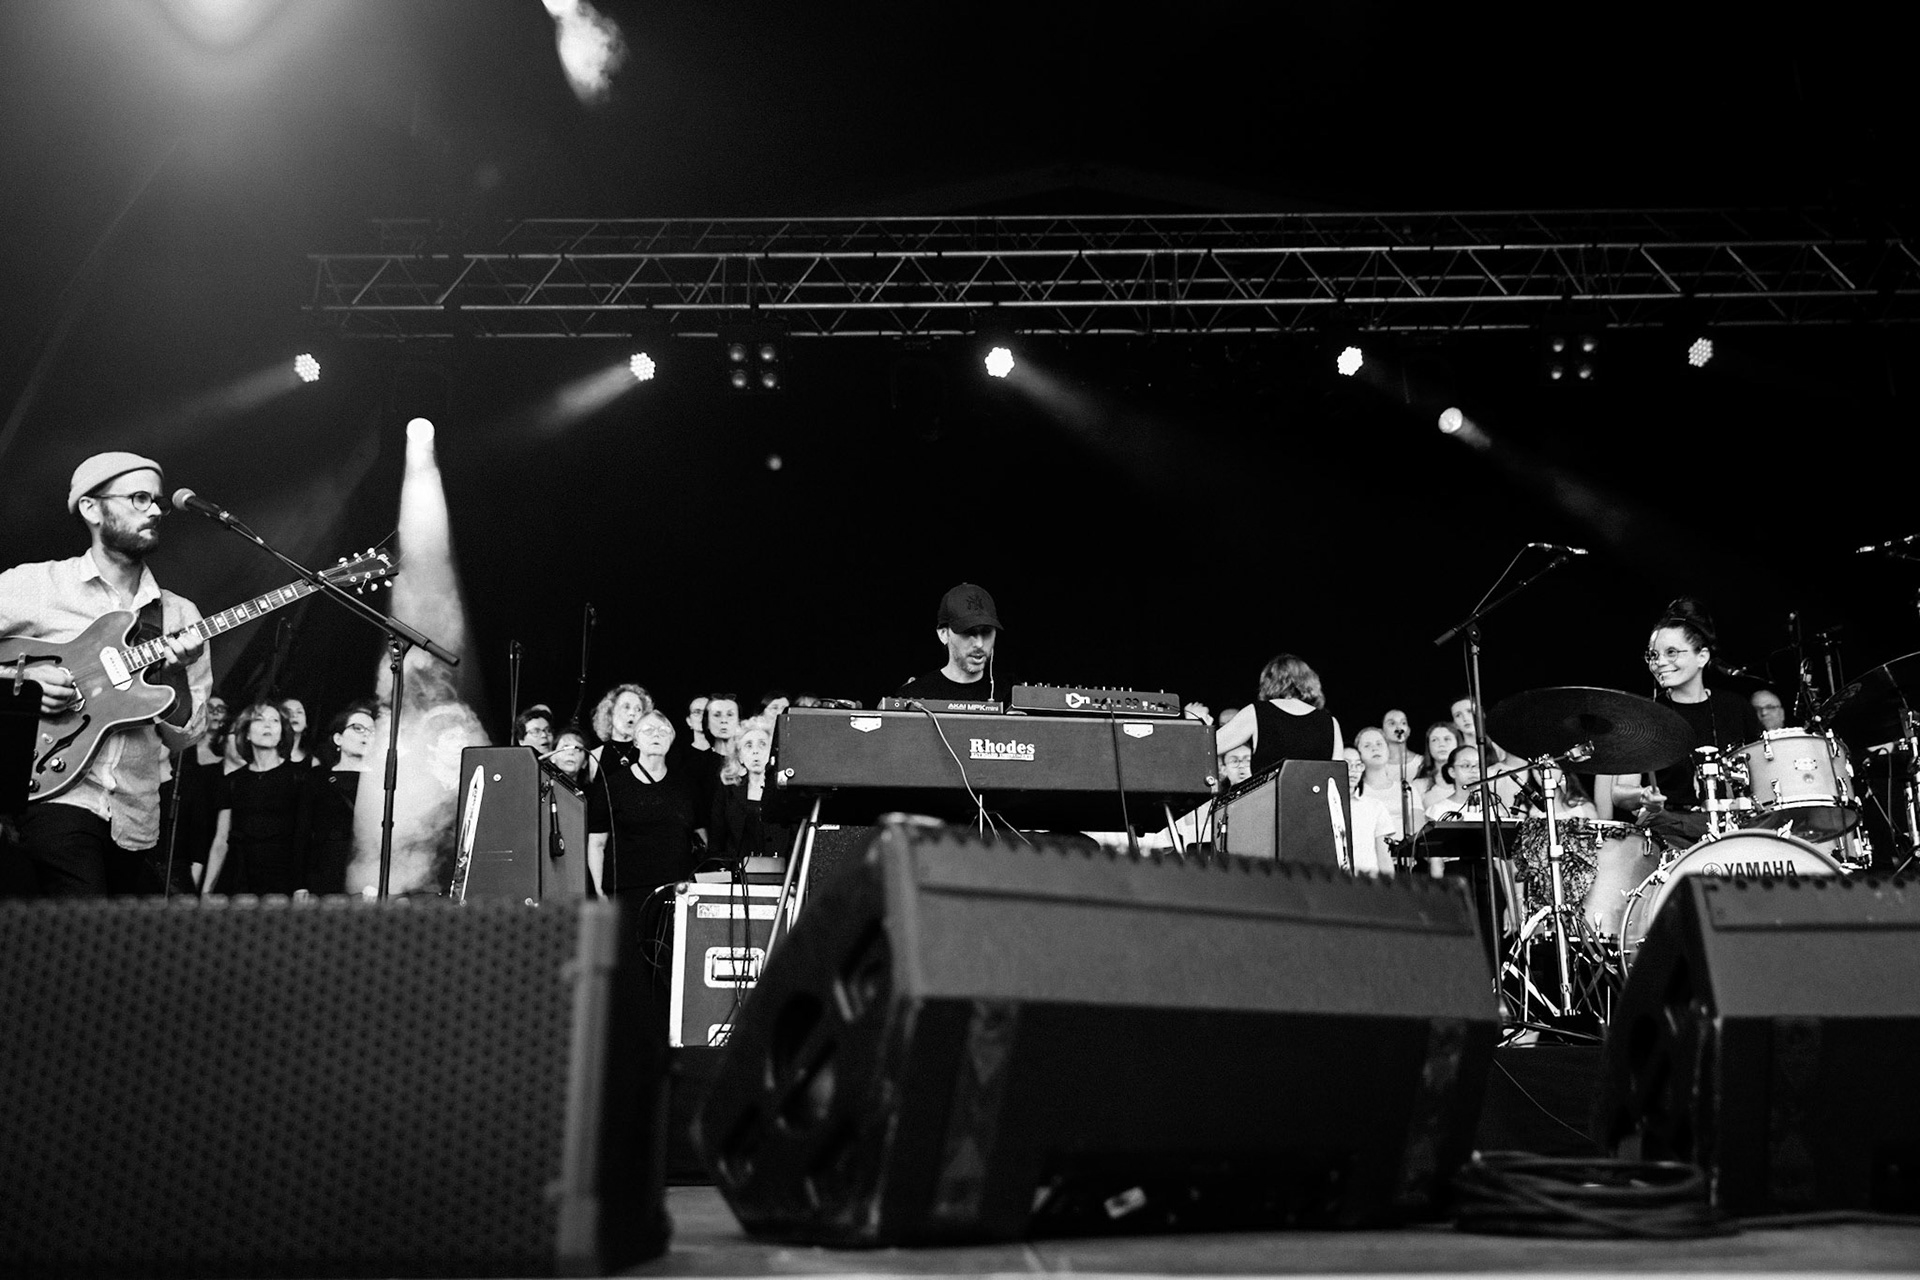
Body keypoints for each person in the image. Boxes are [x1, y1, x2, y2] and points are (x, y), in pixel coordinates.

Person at [0, 451, 211, 895]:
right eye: (138, 498)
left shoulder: (179, 614)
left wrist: (175, 675)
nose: (155, 510)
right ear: (92, 508)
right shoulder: (38, 586)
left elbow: (185, 737)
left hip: (135, 815)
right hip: (54, 794)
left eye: (157, 502)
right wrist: (23, 679)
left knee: (123, 954)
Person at [1607, 598, 1765, 846]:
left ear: (1702, 656)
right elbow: (1619, 793)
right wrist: (1643, 796)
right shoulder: (1645, 714)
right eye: (1653, 655)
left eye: (1671, 652)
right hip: (1669, 831)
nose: (1658, 662)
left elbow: (1762, 779)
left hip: (1732, 829)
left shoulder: (1736, 708)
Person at [585, 708, 703, 898]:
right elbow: (597, 843)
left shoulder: (686, 786)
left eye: (663, 731)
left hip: (677, 889)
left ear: (671, 741)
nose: (656, 734)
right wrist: (599, 889)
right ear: (636, 741)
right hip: (626, 890)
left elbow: (701, 835)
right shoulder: (613, 785)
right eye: (648, 730)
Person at [202, 701, 310, 895]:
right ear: (248, 733)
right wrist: (207, 890)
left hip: (281, 880)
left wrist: (300, 885)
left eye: (274, 720)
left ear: (282, 733)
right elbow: (221, 840)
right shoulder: (233, 781)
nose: (268, 725)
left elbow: (303, 837)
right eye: (259, 720)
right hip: (239, 878)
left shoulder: (299, 777)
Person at [1214, 653, 1342, 773]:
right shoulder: (1330, 722)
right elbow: (1337, 774)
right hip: (1314, 796)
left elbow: (1209, 747)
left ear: (1268, 682)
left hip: (1268, 796)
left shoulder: (1257, 713)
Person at [305, 700, 376, 895]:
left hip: (369, 870)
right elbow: (303, 832)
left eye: (371, 730)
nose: (365, 734)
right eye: (357, 728)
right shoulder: (318, 779)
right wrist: (301, 884)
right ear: (338, 738)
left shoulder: (382, 782)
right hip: (327, 870)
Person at [896, 582, 1006, 702]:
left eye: (986, 632)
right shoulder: (913, 696)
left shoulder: (1011, 693)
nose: (979, 643)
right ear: (943, 634)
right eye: (968, 632)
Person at [708, 715, 791, 861]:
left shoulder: (785, 792)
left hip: (783, 875)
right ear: (739, 756)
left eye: (762, 744)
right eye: (748, 745)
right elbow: (716, 841)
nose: (755, 751)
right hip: (736, 875)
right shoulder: (728, 791)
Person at [588, 683, 651, 773]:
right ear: (610, 712)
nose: (632, 713)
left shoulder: (649, 754)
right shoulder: (594, 756)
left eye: (638, 709)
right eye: (626, 707)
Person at [1382, 709, 1423, 782]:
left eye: (1403, 723)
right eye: (1392, 723)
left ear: (1408, 730)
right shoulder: (1378, 764)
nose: (1398, 727)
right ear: (1382, 731)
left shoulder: (1421, 762)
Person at [279, 697, 320, 769]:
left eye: (299, 712)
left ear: (306, 723)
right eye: (288, 712)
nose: (294, 715)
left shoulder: (313, 763)